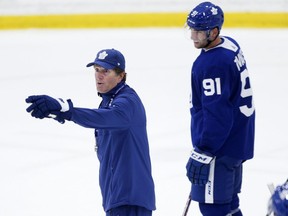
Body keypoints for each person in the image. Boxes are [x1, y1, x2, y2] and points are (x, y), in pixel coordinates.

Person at [25, 48, 156, 216]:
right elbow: (101, 117)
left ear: (121, 75)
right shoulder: (109, 101)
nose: (99, 76)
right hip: (118, 198)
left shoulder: (127, 102)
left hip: (129, 200)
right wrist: (59, 112)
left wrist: (67, 110)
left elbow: (105, 118)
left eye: (106, 71)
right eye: (96, 70)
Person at [184, 2, 255, 216]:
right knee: (229, 206)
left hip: (219, 149)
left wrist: (204, 151)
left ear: (214, 32)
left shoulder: (212, 64)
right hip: (236, 142)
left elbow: (217, 114)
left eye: (199, 31)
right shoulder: (230, 45)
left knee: (213, 208)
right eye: (191, 30)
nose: (193, 36)